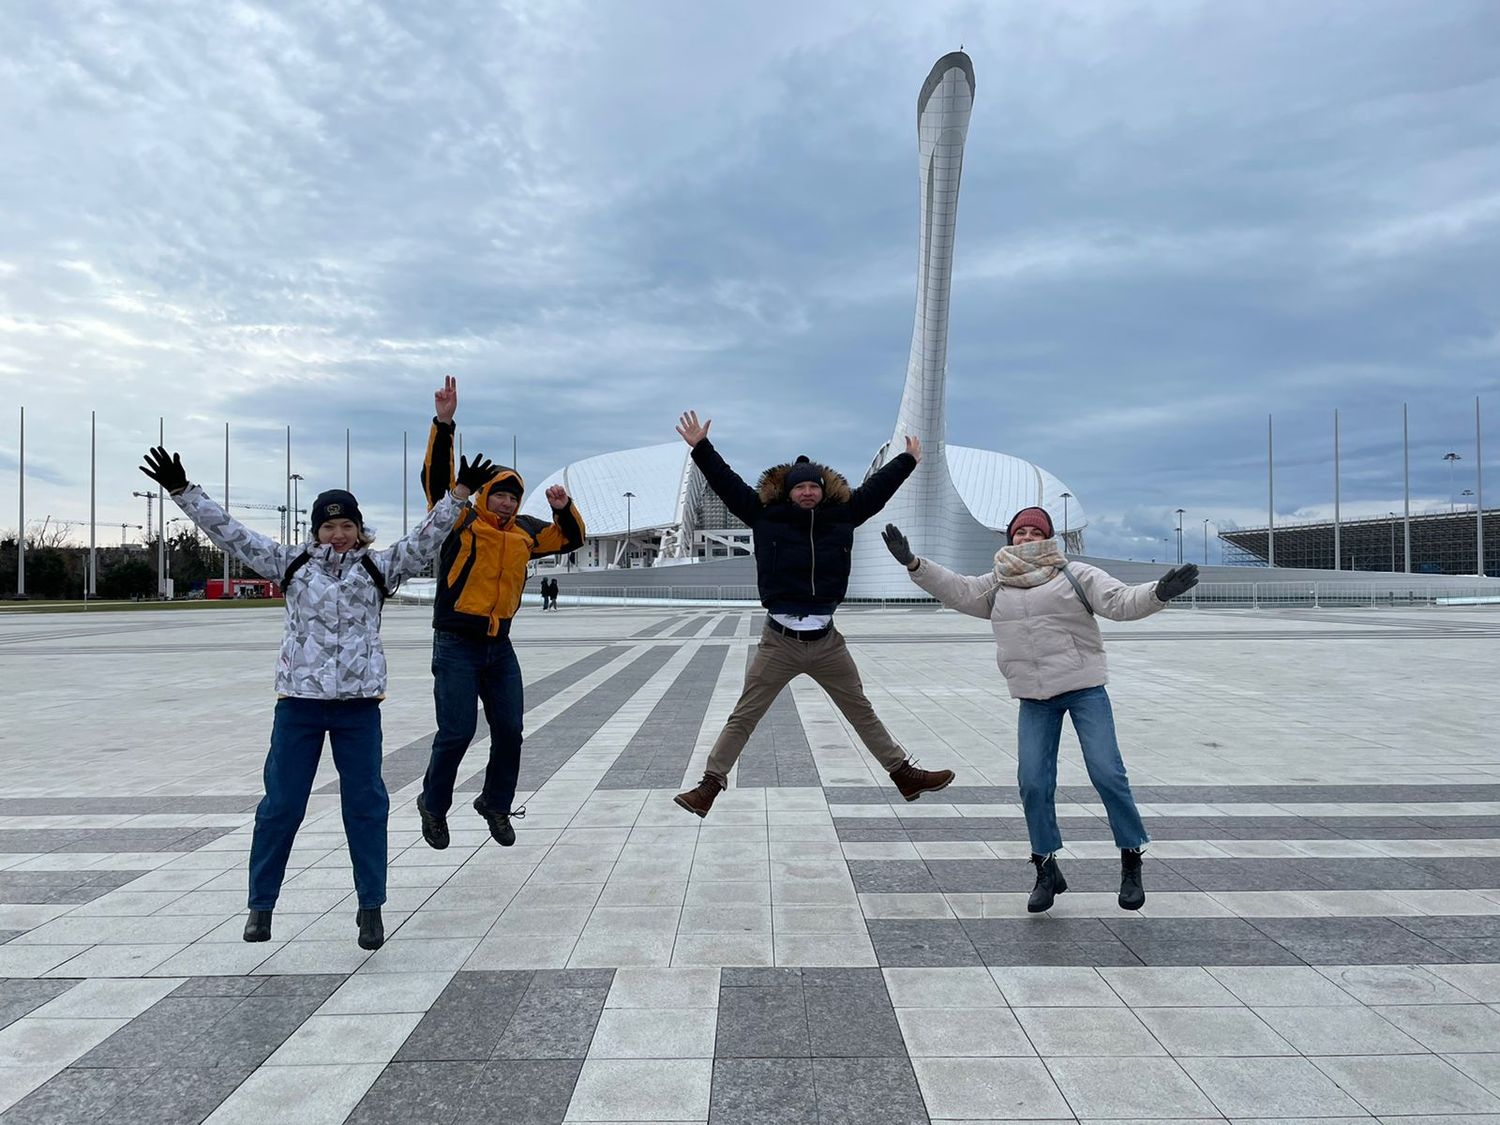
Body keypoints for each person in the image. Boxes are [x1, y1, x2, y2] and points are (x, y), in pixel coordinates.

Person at [138, 444, 496, 949]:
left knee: (366, 805)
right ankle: (260, 907)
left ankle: (370, 907)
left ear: (359, 529)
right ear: (315, 531)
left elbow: (425, 539)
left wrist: (458, 496)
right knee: (281, 805)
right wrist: (183, 492)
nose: (338, 533)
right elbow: (231, 533)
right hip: (299, 706)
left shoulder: (380, 568)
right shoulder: (291, 565)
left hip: (357, 708)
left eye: (347, 525)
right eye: (329, 526)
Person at [882, 507, 1198, 912]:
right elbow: (957, 589)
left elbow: (1119, 602)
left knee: (1107, 773)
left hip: (1083, 690)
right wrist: (914, 564)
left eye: (1035, 532)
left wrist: (1158, 593)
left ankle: (1131, 858)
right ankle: (1046, 868)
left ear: (1048, 538)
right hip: (1033, 697)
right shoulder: (997, 583)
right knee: (1033, 782)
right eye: (1020, 533)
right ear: (1010, 539)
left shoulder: (1075, 574)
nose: (1026, 538)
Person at [672, 410, 956, 817]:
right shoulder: (764, 515)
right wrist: (701, 447)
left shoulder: (844, 515)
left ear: (823, 491)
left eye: (813, 487)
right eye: (800, 487)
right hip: (779, 642)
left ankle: (903, 775)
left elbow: (877, 490)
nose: (807, 492)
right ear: (788, 492)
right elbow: (726, 482)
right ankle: (709, 786)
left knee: (861, 709)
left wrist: (907, 460)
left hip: (826, 642)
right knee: (744, 715)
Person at [416, 377, 586, 850]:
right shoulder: (462, 519)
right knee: (457, 732)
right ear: (486, 495)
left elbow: (570, 539)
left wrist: (563, 508)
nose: (507, 503)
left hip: (498, 645)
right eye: (500, 495)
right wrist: (444, 424)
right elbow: (436, 484)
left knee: (510, 730)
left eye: (514, 496)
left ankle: (494, 802)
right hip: (455, 642)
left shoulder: (526, 532)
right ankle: (433, 803)